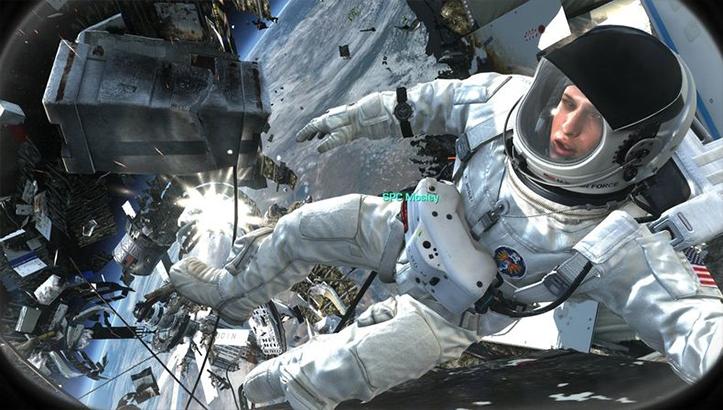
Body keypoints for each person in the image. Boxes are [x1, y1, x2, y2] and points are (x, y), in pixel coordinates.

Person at [169, 26, 723, 410]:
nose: (564, 125)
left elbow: (694, 325)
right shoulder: (505, 105)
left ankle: (260, 394)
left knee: (330, 370)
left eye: (593, 119)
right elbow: (431, 102)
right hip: (411, 224)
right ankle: (229, 295)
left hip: (453, 315)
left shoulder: (617, 244)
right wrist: (355, 119)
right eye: (567, 100)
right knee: (297, 228)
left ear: (633, 152)